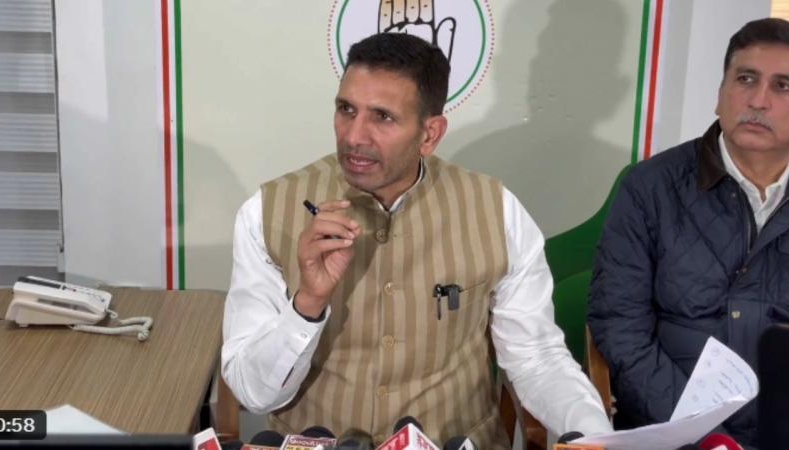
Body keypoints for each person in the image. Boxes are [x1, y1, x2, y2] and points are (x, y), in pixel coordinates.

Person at [222, 32, 611, 449]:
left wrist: (600, 439)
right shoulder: (266, 212)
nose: (354, 136)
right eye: (346, 109)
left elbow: (536, 358)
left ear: (430, 134)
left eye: (382, 117)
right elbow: (254, 394)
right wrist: (307, 304)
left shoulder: (497, 211)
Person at [588, 18, 789, 448]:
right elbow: (620, 325)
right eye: (745, 79)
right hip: (674, 431)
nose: (758, 100)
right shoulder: (650, 188)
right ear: (720, 94)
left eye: (783, 86)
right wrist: (703, 433)